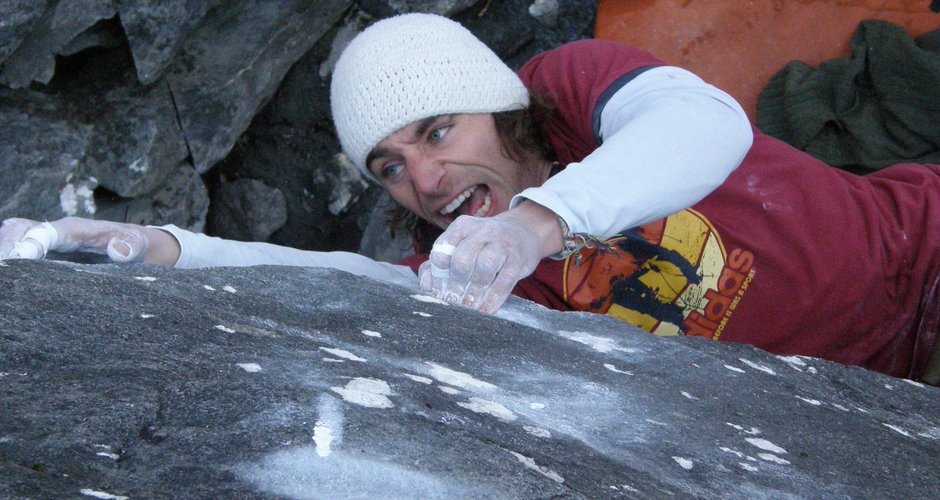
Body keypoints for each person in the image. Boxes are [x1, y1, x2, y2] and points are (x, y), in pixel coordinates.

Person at [1, 14, 937, 385]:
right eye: (390, 166)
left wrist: (539, 226)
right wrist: (165, 250)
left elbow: (704, 124)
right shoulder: (474, 268)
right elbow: (338, 279)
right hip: (867, 393)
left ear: (501, 107)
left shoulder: (573, 95)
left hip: (921, 256)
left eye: (438, 131)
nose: (425, 180)